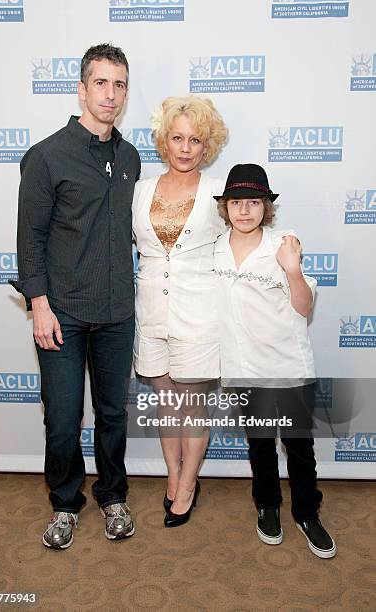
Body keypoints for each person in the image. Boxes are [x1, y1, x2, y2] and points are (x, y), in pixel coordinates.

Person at [10, 44, 141, 548]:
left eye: (120, 84)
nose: (110, 94)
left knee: (112, 415)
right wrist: (38, 306)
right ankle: (65, 503)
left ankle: (113, 497)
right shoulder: (46, 156)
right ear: (82, 88)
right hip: (61, 313)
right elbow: (30, 240)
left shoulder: (129, 157)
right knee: (63, 419)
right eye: (101, 83)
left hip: (116, 314)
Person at [214, 164, 336, 558]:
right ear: (225, 207)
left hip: (287, 367)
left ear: (266, 207)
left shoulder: (284, 244)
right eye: (237, 202)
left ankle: (306, 513)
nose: (244, 210)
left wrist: (293, 269)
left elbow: (303, 307)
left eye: (253, 202)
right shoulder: (214, 248)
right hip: (243, 368)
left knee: (299, 447)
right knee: (260, 446)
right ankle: (267, 506)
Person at [132, 96, 227, 527]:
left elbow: (242, 241)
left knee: (191, 404)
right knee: (167, 402)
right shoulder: (140, 191)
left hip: (199, 314)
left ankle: (188, 484)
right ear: (164, 141)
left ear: (206, 146)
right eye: (177, 138)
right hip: (151, 312)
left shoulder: (218, 192)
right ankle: (173, 475)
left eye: (195, 140)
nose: (185, 148)